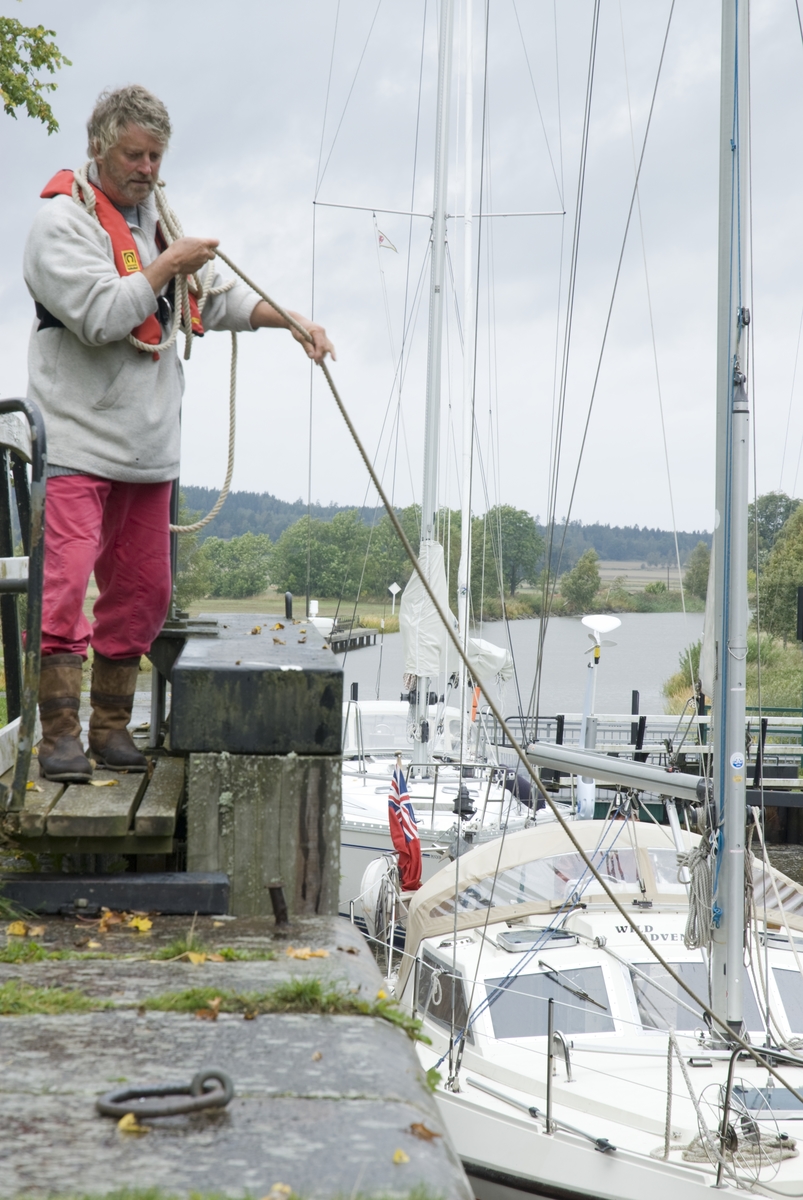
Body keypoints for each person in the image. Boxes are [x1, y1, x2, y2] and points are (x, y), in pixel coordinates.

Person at [23, 85, 334, 783]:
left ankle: (110, 728)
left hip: (148, 451)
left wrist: (291, 321)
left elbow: (215, 296)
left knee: (144, 593)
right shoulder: (60, 225)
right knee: (63, 591)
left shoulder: (160, 223)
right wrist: (168, 266)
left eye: (156, 156)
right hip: (75, 445)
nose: (147, 168)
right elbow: (100, 316)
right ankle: (58, 737)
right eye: (134, 155)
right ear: (98, 147)